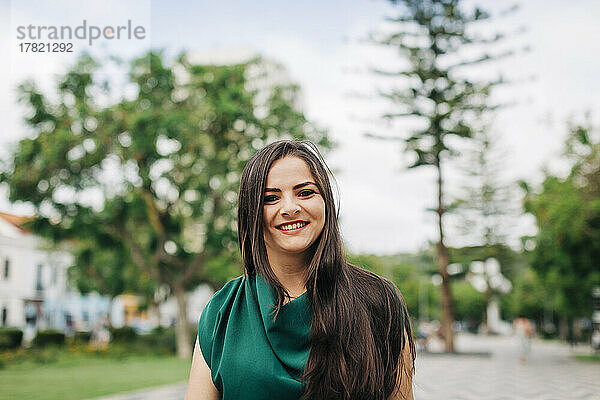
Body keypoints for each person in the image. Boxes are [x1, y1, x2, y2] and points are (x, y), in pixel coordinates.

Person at [185, 139, 416, 400]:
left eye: (305, 192)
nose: (290, 208)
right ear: (251, 213)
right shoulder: (222, 312)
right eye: (270, 198)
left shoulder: (380, 301)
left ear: (326, 202)